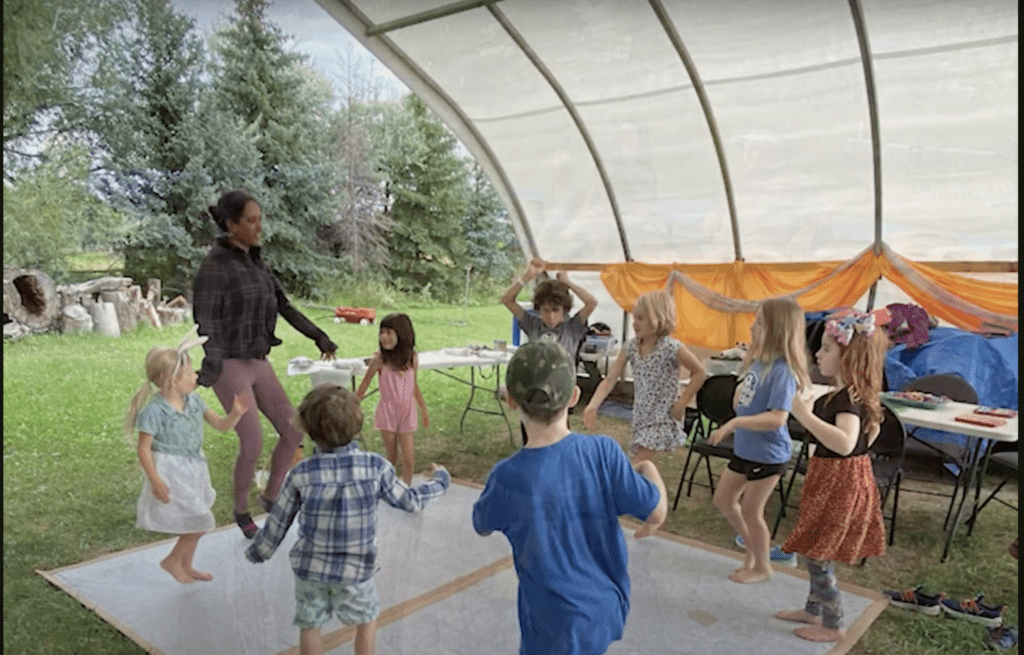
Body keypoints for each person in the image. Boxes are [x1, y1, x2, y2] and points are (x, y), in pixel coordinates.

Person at [472, 340, 668, 655]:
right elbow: (656, 512)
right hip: (605, 608)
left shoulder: (506, 477)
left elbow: (481, 523)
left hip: (552, 625)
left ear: (510, 400)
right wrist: (648, 467)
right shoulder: (604, 452)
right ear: (575, 396)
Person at [246, 384, 450, 655]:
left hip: (311, 571)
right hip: (356, 572)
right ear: (357, 425)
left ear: (307, 428)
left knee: (309, 625)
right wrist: (440, 482)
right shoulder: (375, 467)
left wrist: (258, 552)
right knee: (366, 622)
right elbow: (410, 501)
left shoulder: (301, 473)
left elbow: (277, 523)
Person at [193, 189, 338, 539]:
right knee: (253, 442)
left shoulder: (257, 263)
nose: (260, 226)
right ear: (231, 225)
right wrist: (210, 368)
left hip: (258, 360)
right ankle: (241, 509)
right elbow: (205, 322)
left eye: (260, 219)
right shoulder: (214, 268)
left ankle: (271, 497)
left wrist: (318, 335)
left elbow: (284, 306)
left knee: (293, 431)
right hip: (228, 363)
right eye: (251, 220)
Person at [774, 309, 888, 642]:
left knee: (819, 553)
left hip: (840, 484)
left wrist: (804, 416)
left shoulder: (845, 400)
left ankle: (834, 622)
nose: (817, 355)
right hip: (835, 478)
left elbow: (844, 442)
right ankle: (813, 608)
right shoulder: (849, 395)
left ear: (847, 357)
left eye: (825, 349)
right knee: (814, 544)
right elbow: (873, 430)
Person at [125, 329, 250, 583]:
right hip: (171, 471)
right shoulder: (155, 412)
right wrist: (156, 481)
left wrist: (235, 414)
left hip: (195, 467)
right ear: (172, 380)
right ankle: (172, 561)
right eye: (191, 373)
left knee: (197, 515)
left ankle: (186, 565)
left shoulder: (194, 401)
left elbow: (220, 425)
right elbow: (143, 449)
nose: (196, 376)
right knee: (200, 521)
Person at [707, 297, 810, 583]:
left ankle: (762, 566)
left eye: (760, 323)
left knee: (753, 510)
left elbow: (778, 418)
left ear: (778, 331)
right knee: (724, 499)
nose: (752, 328)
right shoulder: (758, 363)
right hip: (745, 449)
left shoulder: (783, 372)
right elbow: (747, 400)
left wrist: (735, 423)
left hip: (768, 455)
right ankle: (752, 551)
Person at [582, 289, 706, 465]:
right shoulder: (631, 347)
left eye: (640, 319)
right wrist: (593, 405)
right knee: (642, 469)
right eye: (634, 318)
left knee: (637, 467)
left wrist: (682, 403)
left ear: (658, 319)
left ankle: (640, 490)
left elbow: (699, 372)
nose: (634, 323)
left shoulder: (671, 348)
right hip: (641, 417)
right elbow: (610, 380)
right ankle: (652, 491)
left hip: (662, 419)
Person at [500, 258, 598, 443]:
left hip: (560, 392)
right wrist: (526, 277)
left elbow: (591, 302)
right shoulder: (533, 325)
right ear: (538, 310)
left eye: (555, 310)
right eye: (545, 310)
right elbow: (507, 300)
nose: (550, 316)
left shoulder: (572, 328)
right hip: (534, 389)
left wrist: (567, 283)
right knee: (531, 436)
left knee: (558, 438)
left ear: (564, 310)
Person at [355, 313, 428, 486]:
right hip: (387, 412)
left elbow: (413, 385)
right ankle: (389, 486)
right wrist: (352, 406)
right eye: (382, 332)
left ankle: (407, 489)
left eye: (389, 332)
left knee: (409, 459)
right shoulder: (379, 360)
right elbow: (364, 386)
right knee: (392, 457)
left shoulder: (412, 359)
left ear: (402, 334)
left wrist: (423, 408)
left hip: (407, 411)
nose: (383, 336)